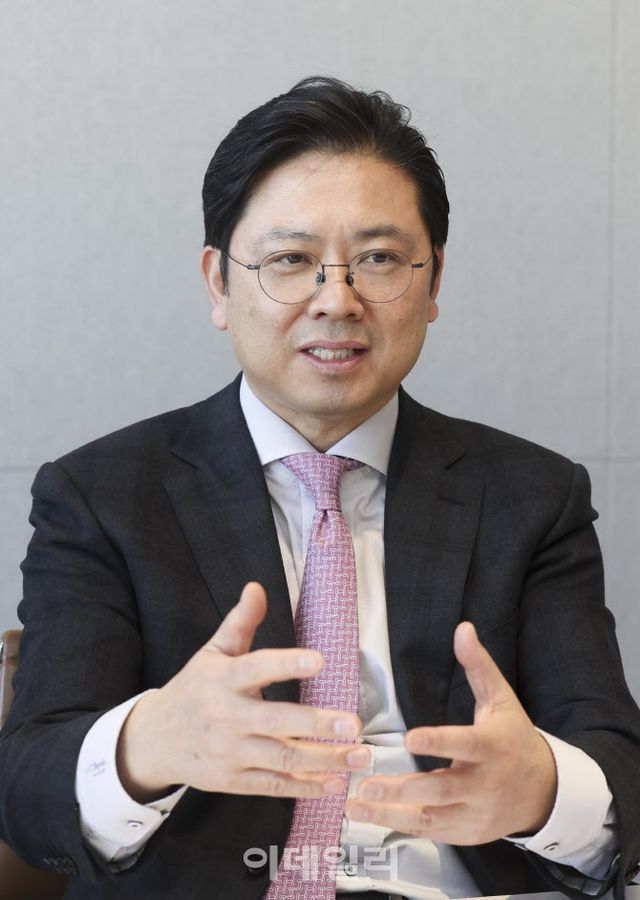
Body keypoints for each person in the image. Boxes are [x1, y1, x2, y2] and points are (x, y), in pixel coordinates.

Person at [1, 75, 639, 900]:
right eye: (291, 260)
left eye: (379, 259)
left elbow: (619, 770)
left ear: (433, 281)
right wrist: (146, 746)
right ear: (218, 284)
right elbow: (27, 793)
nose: (337, 300)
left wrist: (546, 791)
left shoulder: (531, 497)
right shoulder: (104, 495)